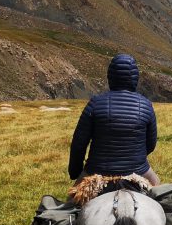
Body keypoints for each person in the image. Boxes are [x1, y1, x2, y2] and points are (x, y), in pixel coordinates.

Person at [69, 53, 161, 186]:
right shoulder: (146, 105)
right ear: (135, 77)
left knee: (71, 203)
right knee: (158, 191)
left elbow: (79, 143)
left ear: (110, 76)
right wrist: (134, 157)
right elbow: (151, 144)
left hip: (97, 171)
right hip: (138, 171)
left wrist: (75, 171)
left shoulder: (95, 103)